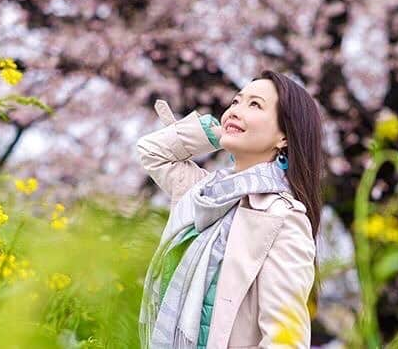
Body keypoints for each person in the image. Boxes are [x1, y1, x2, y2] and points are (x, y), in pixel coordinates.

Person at [136, 69, 324, 348]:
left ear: (284, 137)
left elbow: (285, 339)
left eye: (255, 105)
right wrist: (211, 133)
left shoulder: (281, 217)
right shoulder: (202, 193)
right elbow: (153, 151)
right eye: (235, 102)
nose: (235, 111)